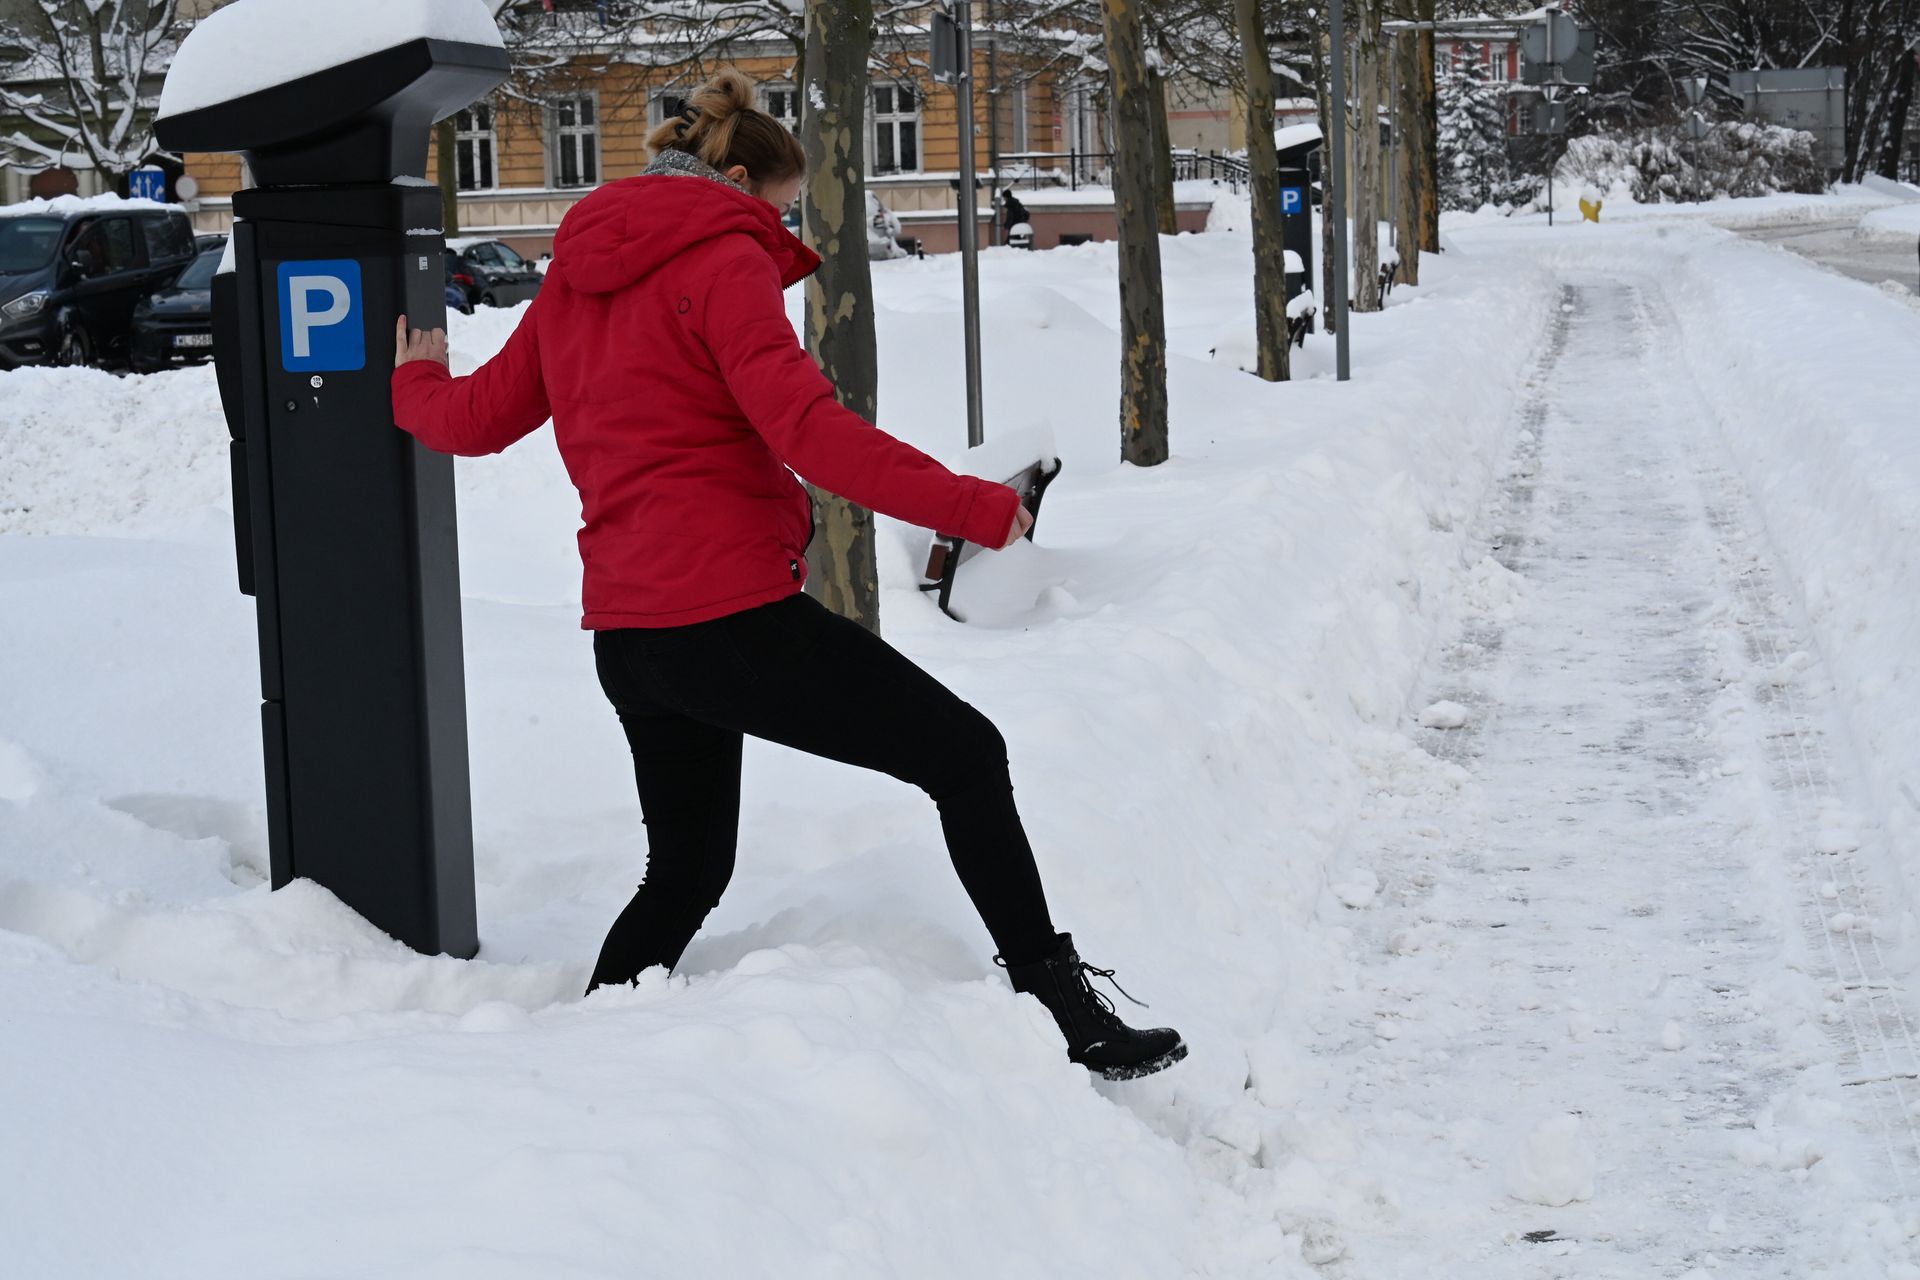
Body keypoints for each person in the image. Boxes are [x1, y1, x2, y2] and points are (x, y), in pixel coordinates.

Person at [390, 70, 1186, 1082]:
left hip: (630, 640)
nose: (780, 230)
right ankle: (1068, 1013)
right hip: (729, 622)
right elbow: (810, 432)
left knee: (686, 871)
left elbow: (471, 421)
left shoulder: (573, 278)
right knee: (967, 757)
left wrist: (416, 377)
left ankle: (586, 1068)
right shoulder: (722, 259)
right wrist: (977, 507)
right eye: (779, 208)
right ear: (734, 183)